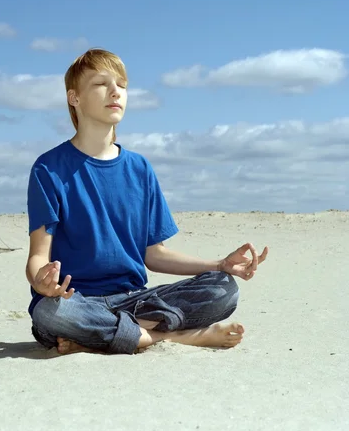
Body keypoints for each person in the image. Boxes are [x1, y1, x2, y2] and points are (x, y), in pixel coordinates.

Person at [26, 48, 268, 355]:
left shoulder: (139, 169)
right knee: (49, 313)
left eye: (122, 85)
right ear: (74, 98)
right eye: (101, 84)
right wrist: (41, 283)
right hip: (76, 300)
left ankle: (104, 338)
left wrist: (221, 264)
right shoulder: (48, 168)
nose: (116, 92)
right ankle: (174, 337)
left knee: (223, 288)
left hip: (137, 301)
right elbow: (37, 256)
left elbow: (154, 255)